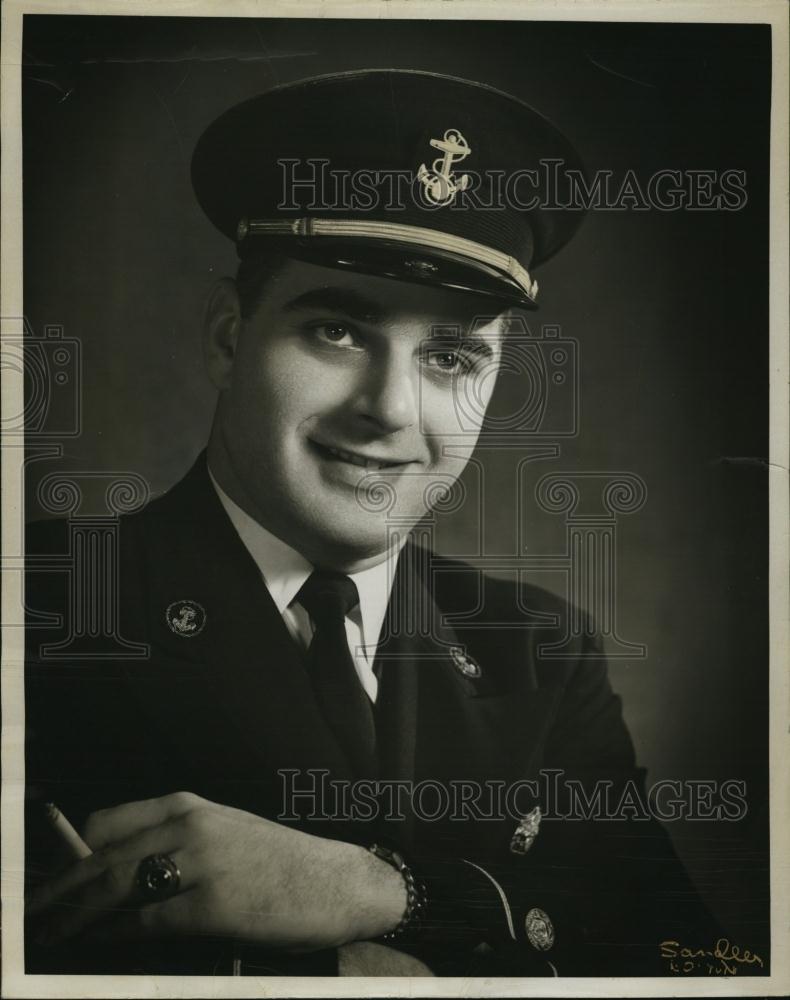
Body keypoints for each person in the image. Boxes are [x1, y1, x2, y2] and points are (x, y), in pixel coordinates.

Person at [24, 69, 718, 978]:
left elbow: (702, 964)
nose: (392, 409)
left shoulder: (541, 654)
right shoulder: (40, 612)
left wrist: (389, 892)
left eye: (451, 354)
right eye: (338, 331)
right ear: (228, 336)